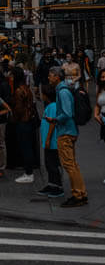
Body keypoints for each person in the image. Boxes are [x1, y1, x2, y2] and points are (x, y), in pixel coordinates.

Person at [47, 63, 88, 207]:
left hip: (65, 132)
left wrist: (55, 119)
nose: (48, 78)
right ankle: (81, 193)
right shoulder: (63, 89)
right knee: (73, 165)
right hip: (70, 131)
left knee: (69, 165)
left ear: (57, 77)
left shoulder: (62, 91)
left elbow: (67, 113)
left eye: (50, 76)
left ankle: (78, 195)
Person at [11, 66, 37, 183]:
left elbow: (19, 109)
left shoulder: (18, 91)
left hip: (22, 121)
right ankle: (29, 171)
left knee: (25, 147)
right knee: (28, 147)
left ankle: (28, 173)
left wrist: (14, 119)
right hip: (29, 121)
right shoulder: (26, 88)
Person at [37, 85, 64, 198]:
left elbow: (52, 124)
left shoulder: (52, 106)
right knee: (48, 164)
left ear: (46, 96)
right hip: (48, 142)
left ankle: (58, 187)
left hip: (52, 142)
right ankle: (51, 184)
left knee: (53, 164)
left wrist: (47, 139)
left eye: (42, 94)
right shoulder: (50, 105)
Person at [94, 68, 105, 170]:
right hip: (103, 121)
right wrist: (96, 115)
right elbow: (97, 104)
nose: (103, 79)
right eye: (102, 77)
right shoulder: (100, 89)